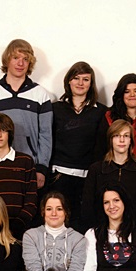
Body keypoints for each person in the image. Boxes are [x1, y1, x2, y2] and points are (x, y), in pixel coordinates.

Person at [0, 39, 53, 189]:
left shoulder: (40, 95)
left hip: (29, 167)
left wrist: (41, 168)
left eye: (25, 59)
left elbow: (46, 134)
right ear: (7, 60)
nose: (21, 63)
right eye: (16, 58)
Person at [49, 61, 107, 229]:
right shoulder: (55, 108)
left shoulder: (101, 111)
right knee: (59, 223)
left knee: (84, 224)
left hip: (87, 176)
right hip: (59, 175)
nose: (80, 83)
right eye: (76, 78)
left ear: (91, 83)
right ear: (69, 81)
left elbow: (101, 146)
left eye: (85, 79)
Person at [81, 119, 136, 233]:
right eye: (117, 135)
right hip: (102, 232)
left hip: (135, 232)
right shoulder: (96, 169)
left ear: (131, 140)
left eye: (126, 136)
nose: (122, 140)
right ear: (110, 139)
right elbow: (88, 207)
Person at [98, 73, 136, 174]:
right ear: (121, 94)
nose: (132, 95)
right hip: (114, 172)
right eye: (127, 92)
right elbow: (101, 150)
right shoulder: (109, 117)